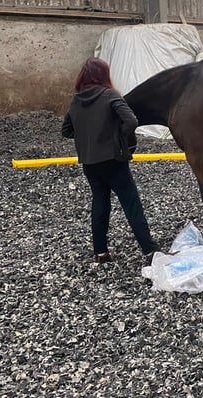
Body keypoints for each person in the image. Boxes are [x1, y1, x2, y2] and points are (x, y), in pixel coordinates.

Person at [62, 57, 161, 265]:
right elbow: (131, 120)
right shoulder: (109, 95)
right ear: (104, 74)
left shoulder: (76, 100)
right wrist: (117, 138)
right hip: (113, 160)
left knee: (100, 202)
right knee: (131, 203)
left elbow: (67, 131)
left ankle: (100, 253)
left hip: (89, 163)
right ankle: (150, 251)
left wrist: (88, 137)